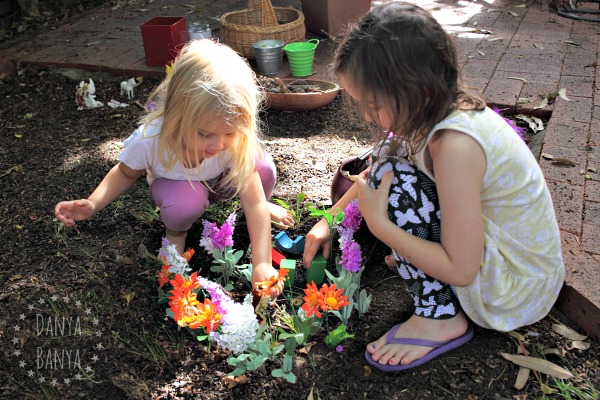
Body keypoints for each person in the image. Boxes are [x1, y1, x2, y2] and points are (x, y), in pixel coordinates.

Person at [303, 2, 565, 371]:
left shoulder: (457, 145)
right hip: (504, 263)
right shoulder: (439, 111)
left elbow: (461, 271)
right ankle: (426, 271)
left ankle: (441, 318)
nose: (365, 115)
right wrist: (329, 219)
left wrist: (380, 225)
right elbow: (382, 158)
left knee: (393, 188)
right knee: (385, 160)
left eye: (373, 104)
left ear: (416, 90)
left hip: (513, 291)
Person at [54, 40, 294, 297]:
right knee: (184, 205)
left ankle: (260, 213)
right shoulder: (151, 141)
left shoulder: (232, 143)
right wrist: (93, 204)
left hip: (222, 181)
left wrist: (262, 263)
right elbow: (124, 173)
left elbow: (253, 200)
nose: (218, 144)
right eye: (204, 133)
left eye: (230, 132)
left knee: (264, 169)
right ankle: (175, 235)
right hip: (179, 188)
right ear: (176, 117)